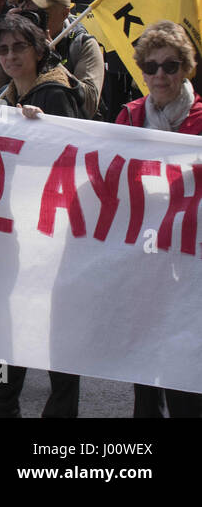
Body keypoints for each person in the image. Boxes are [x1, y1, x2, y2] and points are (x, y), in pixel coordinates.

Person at [0, 11, 82, 417]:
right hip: (12, 227)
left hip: (50, 231)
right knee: (7, 321)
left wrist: (43, 130)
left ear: (38, 50)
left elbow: (74, 157)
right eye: (2, 50)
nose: (10, 56)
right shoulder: (12, 97)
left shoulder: (54, 95)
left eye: (19, 47)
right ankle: (3, 400)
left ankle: (60, 408)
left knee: (54, 325)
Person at [113, 21, 202, 417]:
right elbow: (104, 176)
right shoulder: (130, 118)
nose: (160, 75)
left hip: (191, 260)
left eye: (170, 66)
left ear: (186, 68)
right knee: (145, 365)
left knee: (186, 368)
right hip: (145, 259)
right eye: (150, 67)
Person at [0, 0, 104, 117]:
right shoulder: (15, 44)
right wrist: (9, 37)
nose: (32, 19)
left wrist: (53, 61)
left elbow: (89, 105)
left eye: (40, 13)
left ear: (65, 13)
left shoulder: (81, 44)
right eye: (28, 11)